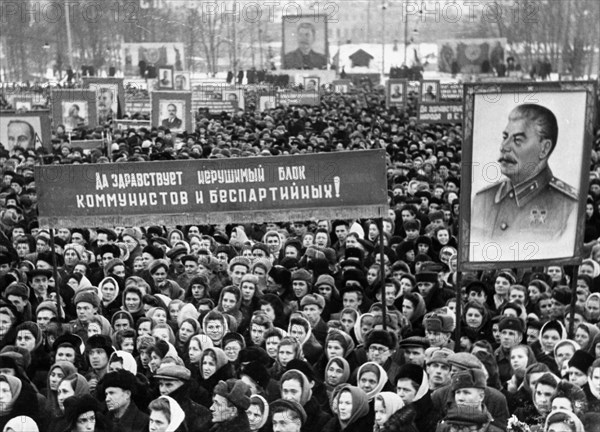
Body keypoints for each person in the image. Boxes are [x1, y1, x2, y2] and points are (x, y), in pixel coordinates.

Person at [471, 104, 578, 261]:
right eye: (505, 137)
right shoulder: (483, 199)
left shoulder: (568, 207)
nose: (504, 147)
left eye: (518, 140)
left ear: (544, 148)